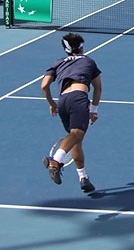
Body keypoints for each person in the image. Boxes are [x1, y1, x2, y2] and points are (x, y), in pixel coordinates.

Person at [41, 33, 102, 192]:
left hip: (62, 102)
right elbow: (98, 88)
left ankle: (83, 178)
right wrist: (94, 110)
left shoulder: (57, 63)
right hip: (78, 99)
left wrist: (51, 104)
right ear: (81, 48)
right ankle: (56, 161)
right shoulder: (88, 61)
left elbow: (44, 85)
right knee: (76, 134)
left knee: (75, 140)